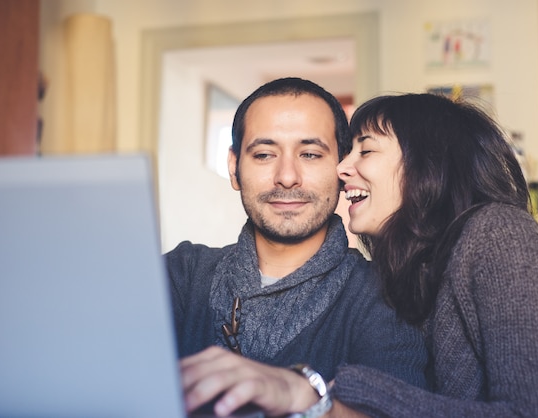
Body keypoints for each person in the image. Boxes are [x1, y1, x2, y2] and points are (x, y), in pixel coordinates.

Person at [331, 92, 538, 416]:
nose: (342, 167)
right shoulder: (415, 272)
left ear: (428, 164)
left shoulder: (501, 236)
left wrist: (355, 391)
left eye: (366, 150)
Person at [164, 78, 427, 415]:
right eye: (263, 154)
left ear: (343, 167)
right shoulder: (182, 274)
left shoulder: (385, 296)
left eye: (310, 154)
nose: (287, 177)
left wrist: (305, 397)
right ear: (234, 168)